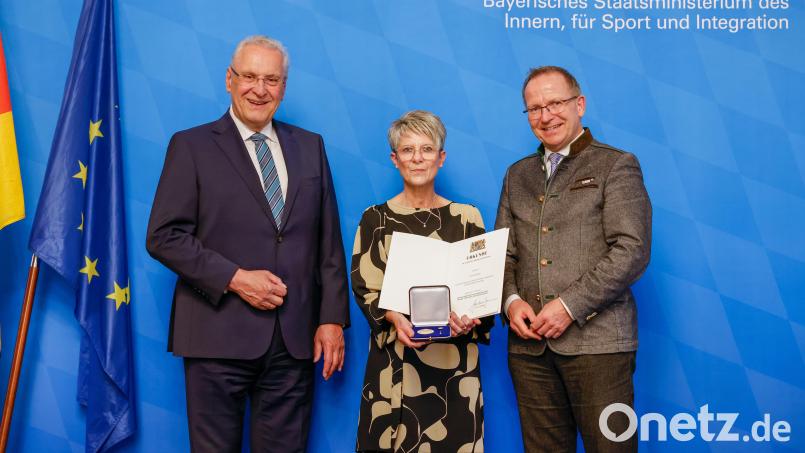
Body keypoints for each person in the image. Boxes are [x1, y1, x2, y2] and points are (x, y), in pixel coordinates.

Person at [145, 35, 349, 453]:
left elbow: (327, 242)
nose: (260, 89)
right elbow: (164, 236)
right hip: (216, 336)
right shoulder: (191, 146)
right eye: (250, 77)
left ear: (283, 87)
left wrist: (331, 319)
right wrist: (235, 278)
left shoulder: (310, 146)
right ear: (229, 79)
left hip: (293, 343)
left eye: (271, 79)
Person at [495, 66, 652, 452]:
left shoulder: (616, 164)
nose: (545, 115)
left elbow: (632, 250)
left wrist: (568, 306)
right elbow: (504, 254)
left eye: (555, 103)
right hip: (529, 350)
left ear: (579, 105)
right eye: (535, 108)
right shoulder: (517, 175)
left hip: (599, 347)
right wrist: (511, 302)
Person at [351, 110, 493, 452]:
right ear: (395, 159)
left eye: (427, 149)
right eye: (408, 149)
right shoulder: (374, 219)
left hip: (455, 370)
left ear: (441, 158)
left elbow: (483, 291)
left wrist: (471, 316)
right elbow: (364, 288)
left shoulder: (467, 218)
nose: (417, 158)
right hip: (394, 368)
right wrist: (392, 316)